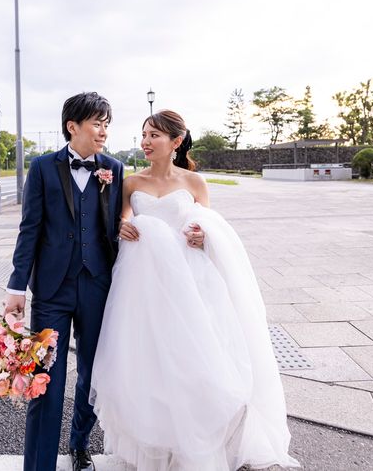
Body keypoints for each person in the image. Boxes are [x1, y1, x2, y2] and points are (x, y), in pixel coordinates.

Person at [90, 110, 299, 471]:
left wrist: (204, 236)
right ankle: (153, 447)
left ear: (175, 141)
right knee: (145, 361)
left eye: (154, 135)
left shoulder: (194, 182)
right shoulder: (131, 182)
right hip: (140, 286)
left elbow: (208, 223)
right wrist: (123, 226)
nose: (146, 142)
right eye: (144, 134)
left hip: (187, 284)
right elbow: (121, 217)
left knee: (191, 360)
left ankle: (194, 443)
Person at [5, 92, 124, 471]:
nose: (103, 131)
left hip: (98, 287)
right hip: (51, 292)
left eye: (106, 124)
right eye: (97, 123)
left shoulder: (114, 169)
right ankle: (39, 465)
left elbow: (121, 224)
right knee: (45, 378)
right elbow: (29, 229)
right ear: (73, 126)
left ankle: (79, 444)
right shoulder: (42, 168)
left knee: (92, 374)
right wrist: (16, 287)